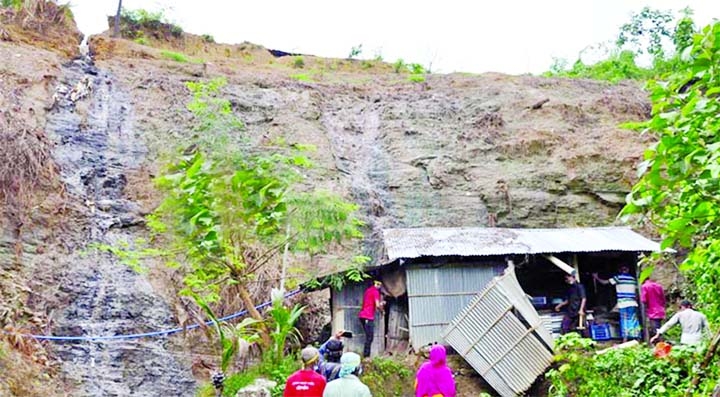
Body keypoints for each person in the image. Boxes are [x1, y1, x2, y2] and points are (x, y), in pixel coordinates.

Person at [593, 266, 641, 342]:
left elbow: (605, 282)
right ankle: (636, 338)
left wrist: (596, 277)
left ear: (620, 270)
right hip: (633, 303)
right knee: (633, 320)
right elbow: (636, 292)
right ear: (628, 270)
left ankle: (625, 339)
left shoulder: (618, 278)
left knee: (624, 321)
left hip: (623, 303)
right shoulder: (633, 279)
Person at [358, 279, 384, 357]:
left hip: (362, 316)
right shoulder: (375, 291)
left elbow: (369, 302)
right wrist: (382, 311)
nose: (380, 287)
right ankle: (366, 356)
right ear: (377, 284)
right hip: (367, 316)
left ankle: (366, 355)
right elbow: (377, 305)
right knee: (370, 337)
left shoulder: (368, 291)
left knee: (368, 336)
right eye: (379, 285)